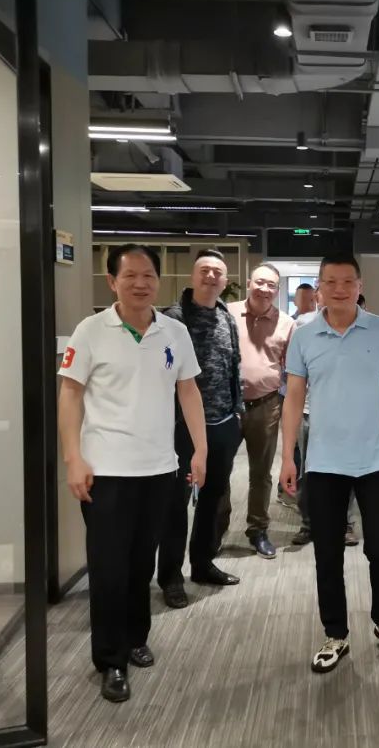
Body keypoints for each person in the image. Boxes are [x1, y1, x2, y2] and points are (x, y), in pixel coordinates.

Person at [58, 244, 207, 704]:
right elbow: (70, 395)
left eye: (148, 276)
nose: (140, 284)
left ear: (158, 281)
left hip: (159, 469)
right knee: (109, 569)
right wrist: (73, 458)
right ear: (112, 282)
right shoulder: (91, 331)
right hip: (105, 472)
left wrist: (199, 450)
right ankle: (111, 659)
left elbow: (188, 391)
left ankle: (136, 637)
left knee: (142, 564)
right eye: (130, 276)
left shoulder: (174, 332)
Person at [280, 253, 379, 673]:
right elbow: (293, 398)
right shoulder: (304, 336)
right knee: (328, 554)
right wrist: (287, 456)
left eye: (347, 282)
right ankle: (335, 633)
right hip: (323, 462)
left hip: (374, 460)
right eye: (331, 282)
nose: (339, 289)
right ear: (319, 287)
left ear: (360, 285)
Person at [156, 249, 244, 609]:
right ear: (192, 277)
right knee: (175, 504)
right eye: (204, 270)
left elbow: (233, 365)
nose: (211, 277)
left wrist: (237, 412)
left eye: (217, 272)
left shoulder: (226, 316)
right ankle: (170, 577)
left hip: (222, 424)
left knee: (213, 498)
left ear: (225, 281)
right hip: (182, 428)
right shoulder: (171, 319)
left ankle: (203, 564)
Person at [226, 263, 294, 559]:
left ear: (277, 290)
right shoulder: (227, 313)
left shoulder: (287, 323)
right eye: (260, 282)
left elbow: (292, 370)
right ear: (248, 282)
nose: (265, 289)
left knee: (261, 473)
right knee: (219, 471)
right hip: (226, 407)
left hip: (266, 406)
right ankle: (215, 529)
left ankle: (258, 530)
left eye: (272, 285)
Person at [288, 286, 359, 548]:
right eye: (327, 287)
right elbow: (294, 374)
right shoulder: (302, 326)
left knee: (347, 470)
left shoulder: (359, 327)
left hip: (345, 414)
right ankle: (308, 524)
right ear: (318, 295)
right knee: (307, 472)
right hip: (310, 413)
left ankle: (345, 523)